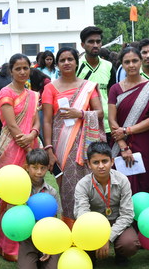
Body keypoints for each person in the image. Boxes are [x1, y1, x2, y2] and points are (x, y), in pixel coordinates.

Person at [42, 47, 104, 226]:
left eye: (70, 59)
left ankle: (91, 226)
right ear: (57, 64)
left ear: (77, 62)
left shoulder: (87, 86)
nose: (67, 63)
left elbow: (100, 113)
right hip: (61, 145)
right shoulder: (49, 88)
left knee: (90, 185)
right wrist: (49, 149)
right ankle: (70, 227)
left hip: (86, 146)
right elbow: (47, 121)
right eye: (62, 60)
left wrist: (81, 114)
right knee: (67, 187)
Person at [0, 54, 40, 261]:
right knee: (11, 196)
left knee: (30, 193)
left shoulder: (33, 94)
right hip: (11, 148)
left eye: (25, 68)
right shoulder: (6, 93)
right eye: (18, 68)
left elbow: (36, 120)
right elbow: (12, 125)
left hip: (30, 144)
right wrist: (26, 143)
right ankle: (8, 247)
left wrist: (33, 135)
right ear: (11, 71)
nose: (22, 72)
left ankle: (28, 242)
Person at [108, 46, 149, 197]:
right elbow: (112, 119)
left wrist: (127, 130)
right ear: (122, 64)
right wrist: (123, 146)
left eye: (135, 61)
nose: (131, 65)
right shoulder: (115, 89)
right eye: (127, 62)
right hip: (120, 143)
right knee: (121, 185)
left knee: (146, 181)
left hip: (145, 142)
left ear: (141, 61)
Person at [73, 142, 139, 264]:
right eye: (96, 162)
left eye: (105, 161)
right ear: (89, 164)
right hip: (93, 226)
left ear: (112, 161)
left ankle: (121, 255)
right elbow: (82, 215)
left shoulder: (122, 180)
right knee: (84, 248)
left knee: (129, 244)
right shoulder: (82, 185)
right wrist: (98, 236)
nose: (101, 166)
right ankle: (91, 255)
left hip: (117, 221)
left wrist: (107, 238)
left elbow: (127, 214)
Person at [18, 149, 60, 269]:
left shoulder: (51, 192)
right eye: (34, 168)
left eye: (43, 168)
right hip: (28, 237)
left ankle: (43, 260)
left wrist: (47, 245)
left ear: (47, 168)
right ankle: (31, 258)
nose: (39, 172)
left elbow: (54, 221)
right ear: (27, 167)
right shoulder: (19, 190)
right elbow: (14, 216)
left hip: (47, 236)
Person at [77, 26, 116, 139]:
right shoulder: (76, 66)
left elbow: (112, 96)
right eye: (91, 42)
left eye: (98, 41)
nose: (95, 45)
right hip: (83, 123)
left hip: (107, 124)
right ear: (83, 45)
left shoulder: (108, 66)